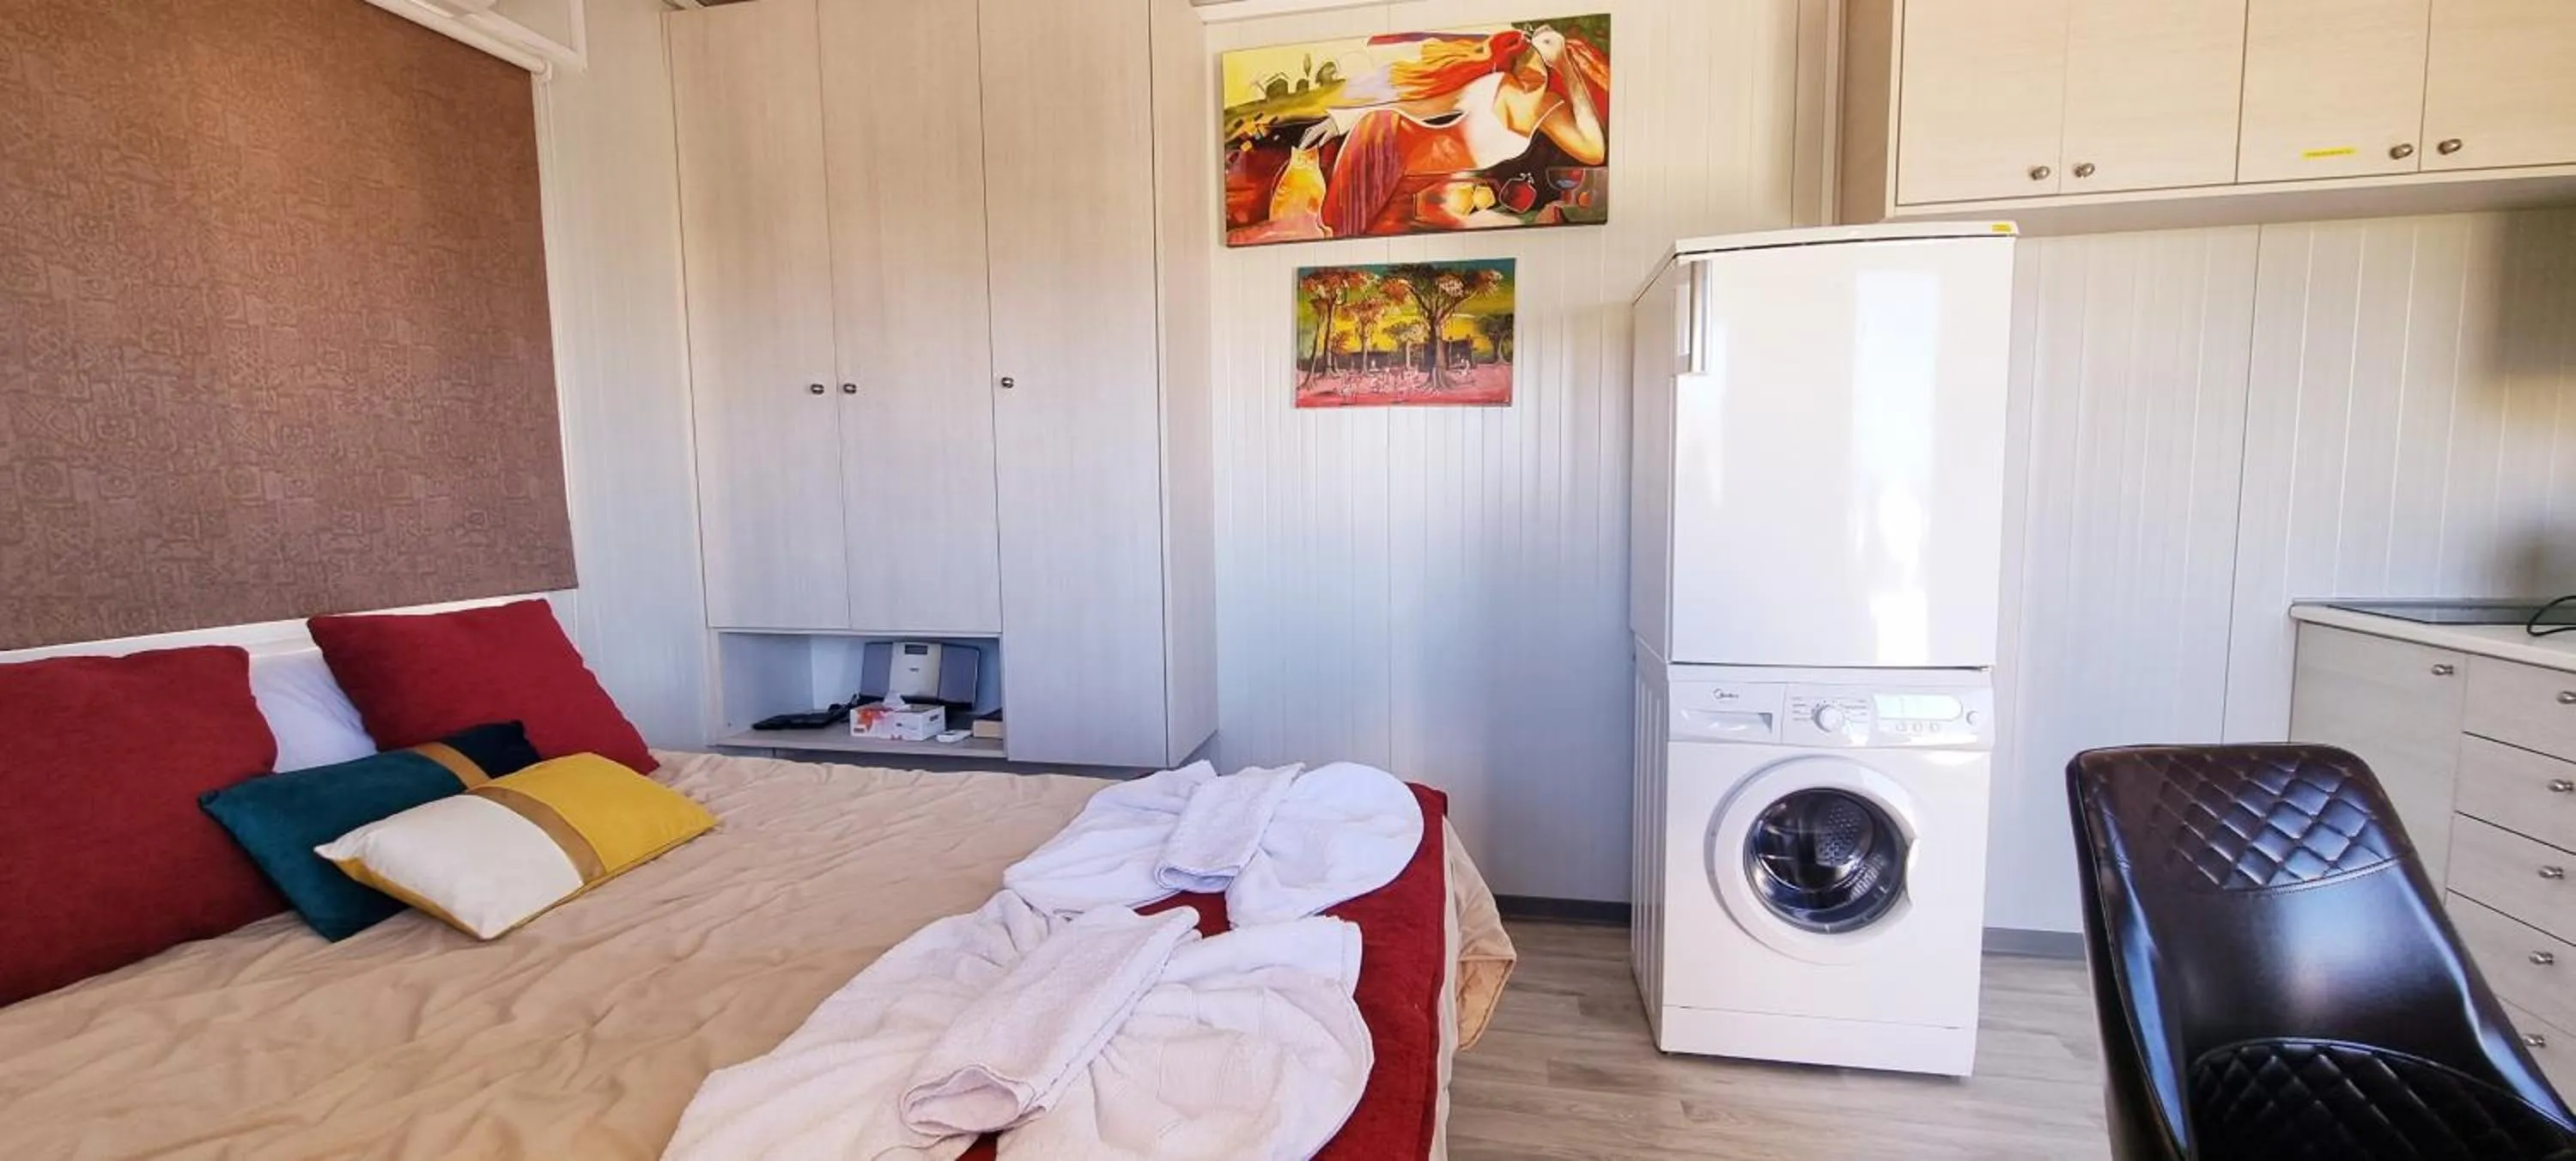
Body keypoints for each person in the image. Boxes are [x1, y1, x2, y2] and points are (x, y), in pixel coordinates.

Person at [1299, 24, 1608, 239]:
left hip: (1409, 174)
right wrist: (1339, 121)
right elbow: (1420, 107)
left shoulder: (1550, 109)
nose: (1533, 67)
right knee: (1341, 233)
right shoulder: (1492, 86)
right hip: (1384, 140)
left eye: (1542, 61)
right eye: (1526, 58)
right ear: (1513, 62)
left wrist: (1565, 63)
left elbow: (1594, 153)